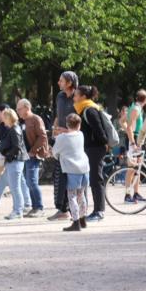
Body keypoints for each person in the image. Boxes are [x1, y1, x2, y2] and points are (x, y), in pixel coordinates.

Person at [72, 85, 108, 222]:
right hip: (90, 149)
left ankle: (99, 211)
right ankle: (96, 210)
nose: (74, 98)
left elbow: (100, 131)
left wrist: (103, 143)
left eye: (76, 95)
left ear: (83, 96)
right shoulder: (83, 109)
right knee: (92, 179)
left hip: (95, 149)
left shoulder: (89, 110)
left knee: (96, 179)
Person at [51, 113, 91, 232]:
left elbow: (55, 152)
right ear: (79, 125)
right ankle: (83, 219)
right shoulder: (81, 134)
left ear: (67, 124)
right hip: (84, 167)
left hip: (71, 169)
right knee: (81, 194)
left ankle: (76, 221)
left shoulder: (62, 138)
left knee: (71, 196)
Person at [48, 71, 78, 221]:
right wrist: (54, 130)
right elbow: (58, 115)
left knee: (73, 176)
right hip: (60, 140)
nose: (58, 83)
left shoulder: (78, 97)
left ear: (70, 83)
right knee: (59, 175)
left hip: (73, 142)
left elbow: (80, 122)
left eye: (61, 81)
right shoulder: (60, 96)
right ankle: (62, 209)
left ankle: (77, 211)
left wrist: (67, 130)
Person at [16, 99, 48, 217]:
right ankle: (34, 207)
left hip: (33, 155)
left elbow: (43, 137)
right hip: (25, 156)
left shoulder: (36, 119)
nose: (17, 111)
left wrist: (33, 151)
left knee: (32, 182)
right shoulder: (22, 121)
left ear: (26, 107)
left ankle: (39, 207)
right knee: (29, 182)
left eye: (19, 109)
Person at [0, 108, 29, 220]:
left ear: (8, 118)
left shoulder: (14, 129)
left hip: (15, 161)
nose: (2, 120)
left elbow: (17, 147)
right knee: (15, 187)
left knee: (15, 187)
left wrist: (7, 156)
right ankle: (17, 210)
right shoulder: (14, 128)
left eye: (4, 117)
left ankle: (18, 210)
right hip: (15, 160)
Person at [122, 89, 146, 204]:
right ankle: (128, 195)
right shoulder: (136, 109)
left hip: (137, 140)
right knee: (132, 168)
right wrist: (133, 143)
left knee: (137, 168)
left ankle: (136, 193)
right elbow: (129, 127)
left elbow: (122, 121)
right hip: (135, 140)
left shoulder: (134, 107)